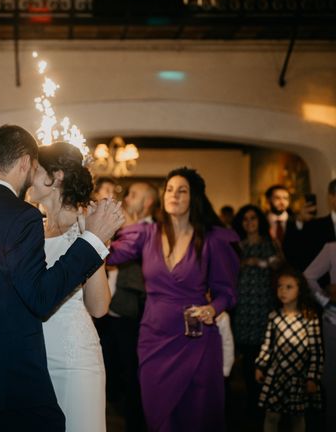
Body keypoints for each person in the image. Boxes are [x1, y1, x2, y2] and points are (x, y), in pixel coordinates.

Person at [0, 125, 123, 432]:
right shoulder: (25, 219)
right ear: (25, 163)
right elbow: (38, 297)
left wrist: (92, 240)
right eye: (34, 166)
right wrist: (93, 242)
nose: (33, 173)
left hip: (40, 358)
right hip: (20, 366)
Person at [108, 166, 239, 432]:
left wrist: (212, 309)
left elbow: (227, 292)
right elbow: (110, 255)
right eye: (169, 189)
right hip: (154, 338)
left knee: (196, 416)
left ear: (194, 198)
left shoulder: (211, 240)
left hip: (196, 340)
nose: (174, 195)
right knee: (159, 415)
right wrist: (83, 228)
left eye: (182, 191)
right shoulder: (146, 234)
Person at [28, 142, 110, 432]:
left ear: (57, 176)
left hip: (76, 360)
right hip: (33, 358)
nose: (28, 177)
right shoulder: (31, 229)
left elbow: (99, 308)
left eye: (35, 171)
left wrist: (93, 241)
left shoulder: (86, 227)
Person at [102, 181, 158, 431]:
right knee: (115, 368)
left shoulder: (150, 232)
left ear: (147, 203)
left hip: (132, 311)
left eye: (133, 195)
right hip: (112, 310)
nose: (126, 199)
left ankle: (136, 423)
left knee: (133, 371)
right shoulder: (126, 228)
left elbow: (114, 257)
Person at [256, 267, 323, 432]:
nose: (282, 291)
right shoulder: (274, 316)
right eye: (279, 286)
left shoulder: (309, 317)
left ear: (300, 290)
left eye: (289, 287)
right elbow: (267, 345)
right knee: (271, 415)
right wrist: (260, 365)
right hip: (277, 375)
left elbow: (316, 350)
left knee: (297, 417)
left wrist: (312, 377)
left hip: (297, 377)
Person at [231, 204, 282, 416]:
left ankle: (265, 401)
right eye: (245, 219)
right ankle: (251, 400)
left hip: (263, 305)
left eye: (253, 218)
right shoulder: (237, 246)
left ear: (259, 220)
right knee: (246, 356)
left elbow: (279, 264)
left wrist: (258, 262)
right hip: (243, 306)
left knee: (264, 355)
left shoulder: (269, 244)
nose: (249, 222)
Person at [303, 242, 336, 432]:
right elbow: (308, 276)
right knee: (331, 376)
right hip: (333, 319)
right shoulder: (331, 248)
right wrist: (325, 301)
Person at [265, 185, 313, 270]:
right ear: (268, 200)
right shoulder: (261, 222)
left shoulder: (297, 221)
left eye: (285, 198)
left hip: (294, 270)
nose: (282, 202)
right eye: (277, 198)